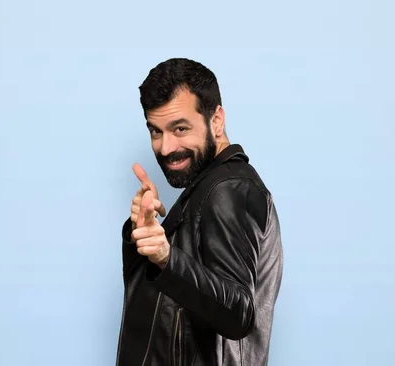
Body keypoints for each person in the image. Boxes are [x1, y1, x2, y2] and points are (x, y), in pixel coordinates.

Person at [116, 58, 284, 366]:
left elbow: (238, 313)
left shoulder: (228, 190)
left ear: (216, 120)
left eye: (180, 128)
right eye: (156, 131)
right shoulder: (208, 188)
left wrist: (167, 258)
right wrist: (140, 235)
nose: (166, 147)